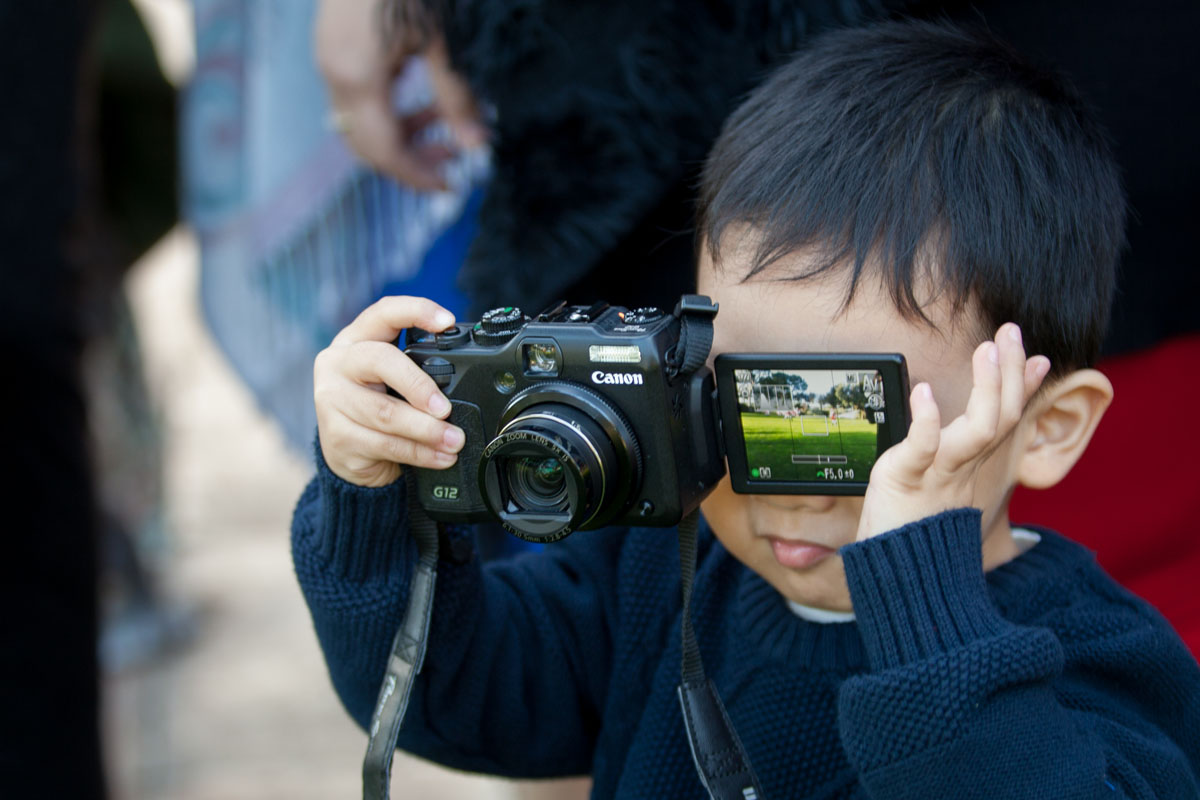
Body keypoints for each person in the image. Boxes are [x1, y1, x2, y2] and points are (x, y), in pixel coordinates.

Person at [292, 20, 1200, 798]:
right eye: (735, 400)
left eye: (845, 417)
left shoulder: (1103, 661)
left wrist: (925, 612)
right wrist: (371, 501)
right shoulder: (659, 573)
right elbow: (450, 695)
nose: (785, 485)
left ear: (1046, 425)